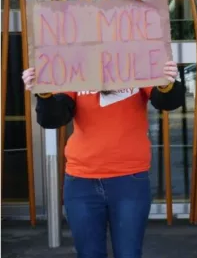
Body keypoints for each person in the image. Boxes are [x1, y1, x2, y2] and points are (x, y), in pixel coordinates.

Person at [22, 61, 185, 258]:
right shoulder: (75, 68)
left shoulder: (136, 63)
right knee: (89, 254)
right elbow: (54, 118)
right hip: (82, 181)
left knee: (129, 254)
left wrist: (167, 83)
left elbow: (166, 101)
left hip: (129, 179)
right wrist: (44, 93)